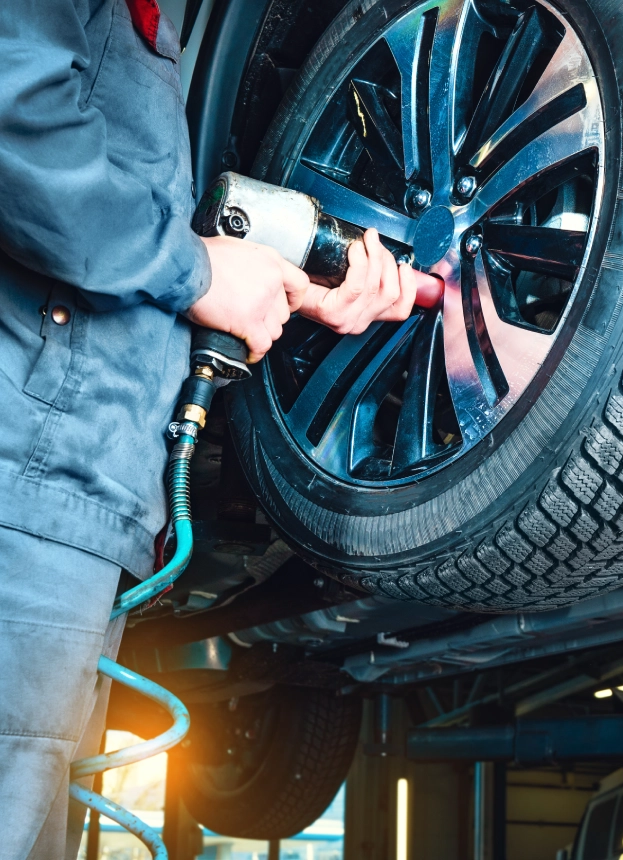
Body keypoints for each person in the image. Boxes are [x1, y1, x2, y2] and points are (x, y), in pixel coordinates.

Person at [0, 2, 417, 857]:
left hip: (83, 507)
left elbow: (131, 249)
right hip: (26, 496)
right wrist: (192, 271)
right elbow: (14, 112)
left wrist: (283, 287)